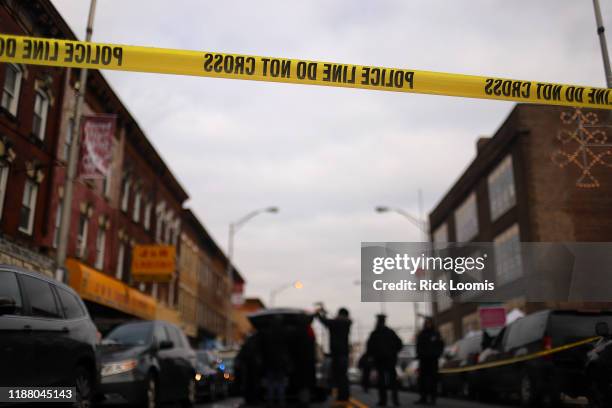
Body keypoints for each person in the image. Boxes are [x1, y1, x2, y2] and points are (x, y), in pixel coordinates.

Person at [315, 305, 352, 402]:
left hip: (337, 354)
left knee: (340, 376)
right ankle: (344, 396)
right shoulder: (346, 323)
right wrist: (324, 312)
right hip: (343, 354)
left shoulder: (338, 323)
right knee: (342, 376)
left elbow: (326, 322)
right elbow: (330, 321)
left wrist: (319, 314)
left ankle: (342, 397)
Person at [366, 314, 403, 407]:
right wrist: (393, 352)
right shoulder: (390, 332)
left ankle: (384, 401)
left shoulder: (375, 333)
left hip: (381, 361)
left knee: (382, 381)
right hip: (388, 360)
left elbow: (369, 348)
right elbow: (399, 344)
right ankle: (395, 401)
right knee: (391, 381)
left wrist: (373, 356)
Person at [261, 315, 290, 407]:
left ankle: (270, 402)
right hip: (280, 363)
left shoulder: (267, 333)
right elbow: (287, 348)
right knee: (280, 384)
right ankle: (281, 402)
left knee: (271, 384)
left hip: (270, 363)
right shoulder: (284, 332)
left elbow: (264, 348)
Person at [415, 317, 444, 406]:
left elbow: (440, 345)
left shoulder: (436, 334)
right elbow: (418, 346)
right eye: (426, 323)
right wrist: (420, 355)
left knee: (433, 380)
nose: (428, 324)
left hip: (433, 360)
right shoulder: (422, 334)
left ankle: (433, 398)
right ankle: (423, 397)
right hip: (424, 360)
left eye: (429, 323)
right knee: (422, 380)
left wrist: (437, 354)